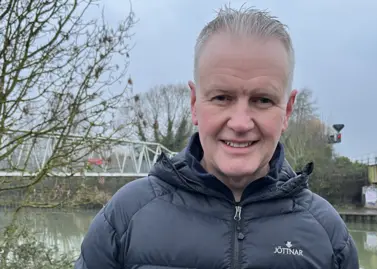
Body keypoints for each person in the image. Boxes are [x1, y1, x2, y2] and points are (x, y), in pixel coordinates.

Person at [74, 5, 359, 269]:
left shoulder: (329, 236)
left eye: (262, 100)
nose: (240, 123)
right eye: (222, 97)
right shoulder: (124, 218)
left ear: (287, 110)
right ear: (194, 103)